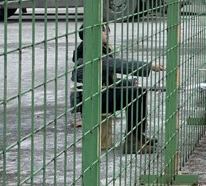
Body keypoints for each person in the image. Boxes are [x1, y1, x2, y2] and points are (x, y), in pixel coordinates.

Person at [70, 23, 165, 154]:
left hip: (97, 94)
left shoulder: (98, 49)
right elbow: (117, 65)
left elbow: (106, 81)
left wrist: (129, 82)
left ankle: (137, 135)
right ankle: (133, 141)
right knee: (135, 93)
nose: (107, 33)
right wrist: (149, 66)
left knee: (137, 90)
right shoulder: (90, 51)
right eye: (103, 31)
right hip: (89, 101)